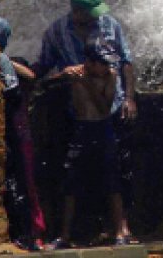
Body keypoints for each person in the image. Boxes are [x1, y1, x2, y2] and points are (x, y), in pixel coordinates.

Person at [34, 0, 137, 242]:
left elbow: (126, 61)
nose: (95, 18)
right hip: (75, 114)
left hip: (109, 108)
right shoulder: (57, 32)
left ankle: (121, 226)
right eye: (90, 13)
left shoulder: (109, 25)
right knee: (73, 175)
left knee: (119, 170)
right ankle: (72, 231)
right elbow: (44, 70)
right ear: (76, 12)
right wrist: (63, 74)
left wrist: (130, 99)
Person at [52, 39, 125, 248]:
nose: (106, 68)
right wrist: (63, 76)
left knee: (113, 182)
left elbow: (104, 107)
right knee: (71, 183)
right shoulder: (75, 72)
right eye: (102, 63)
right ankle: (65, 235)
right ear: (90, 62)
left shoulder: (111, 76)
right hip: (81, 129)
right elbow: (47, 85)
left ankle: (119, 232)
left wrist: (86, 84)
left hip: (103, 128)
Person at [0, 17, 46, 251]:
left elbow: (26, 80)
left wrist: (5, 61)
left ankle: (32, 234)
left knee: (24, 185)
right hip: (10, 135)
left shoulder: (6, 63)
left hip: (18, 135)